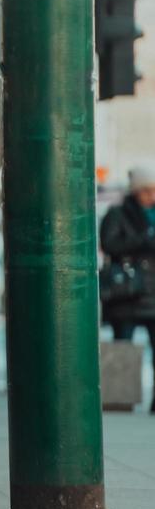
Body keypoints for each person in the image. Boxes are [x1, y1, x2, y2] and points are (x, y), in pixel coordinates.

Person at [100, 163, 155, 410]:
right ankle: (121, 399)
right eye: (146, 190)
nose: (151, 196)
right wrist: (144, 240)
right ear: (135, 190)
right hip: (127, 291)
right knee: (123, 345)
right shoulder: (118, 213)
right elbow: (109, 244)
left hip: (152, 292)